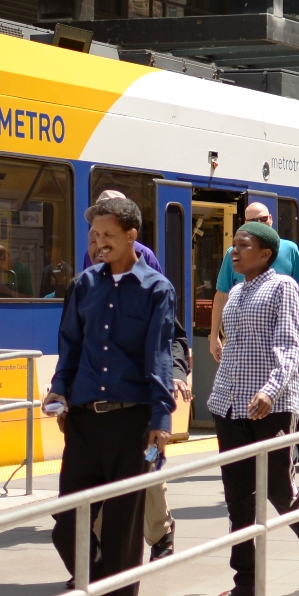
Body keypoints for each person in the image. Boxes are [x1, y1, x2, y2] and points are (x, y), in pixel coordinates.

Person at [48, 193, 176, 596]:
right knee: (66, 525)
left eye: (106, 236)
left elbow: (158, 357)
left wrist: (160, 421)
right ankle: (103, 593)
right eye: (93, 236)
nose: (98, 244)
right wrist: (59, 393)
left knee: (124, 533)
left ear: (130, 237)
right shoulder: (83, 286)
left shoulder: (156, 289)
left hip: (130, 423)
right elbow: (70, 347)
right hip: (83, 422)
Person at [203, 221, 299, 596]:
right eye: (233, 245)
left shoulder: (284, 288)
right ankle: (246, 583)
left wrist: (269, 390)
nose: (234, 252)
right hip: (229, 404)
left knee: (278, 488)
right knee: (238, 499)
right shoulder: (237, 292)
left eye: (244, 245)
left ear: (265, 254)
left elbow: (291, 345)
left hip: (270, 404)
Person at [79, 192, 185, 565]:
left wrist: (172, 373)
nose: (98, 242)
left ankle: (160, 532)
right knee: (103, 484)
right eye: (94, 232)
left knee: (147, 468)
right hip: (99, 395)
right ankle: (100, 559)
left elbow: (163, 330)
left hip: (138, 394)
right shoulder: (90, 270)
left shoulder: (145, 264)